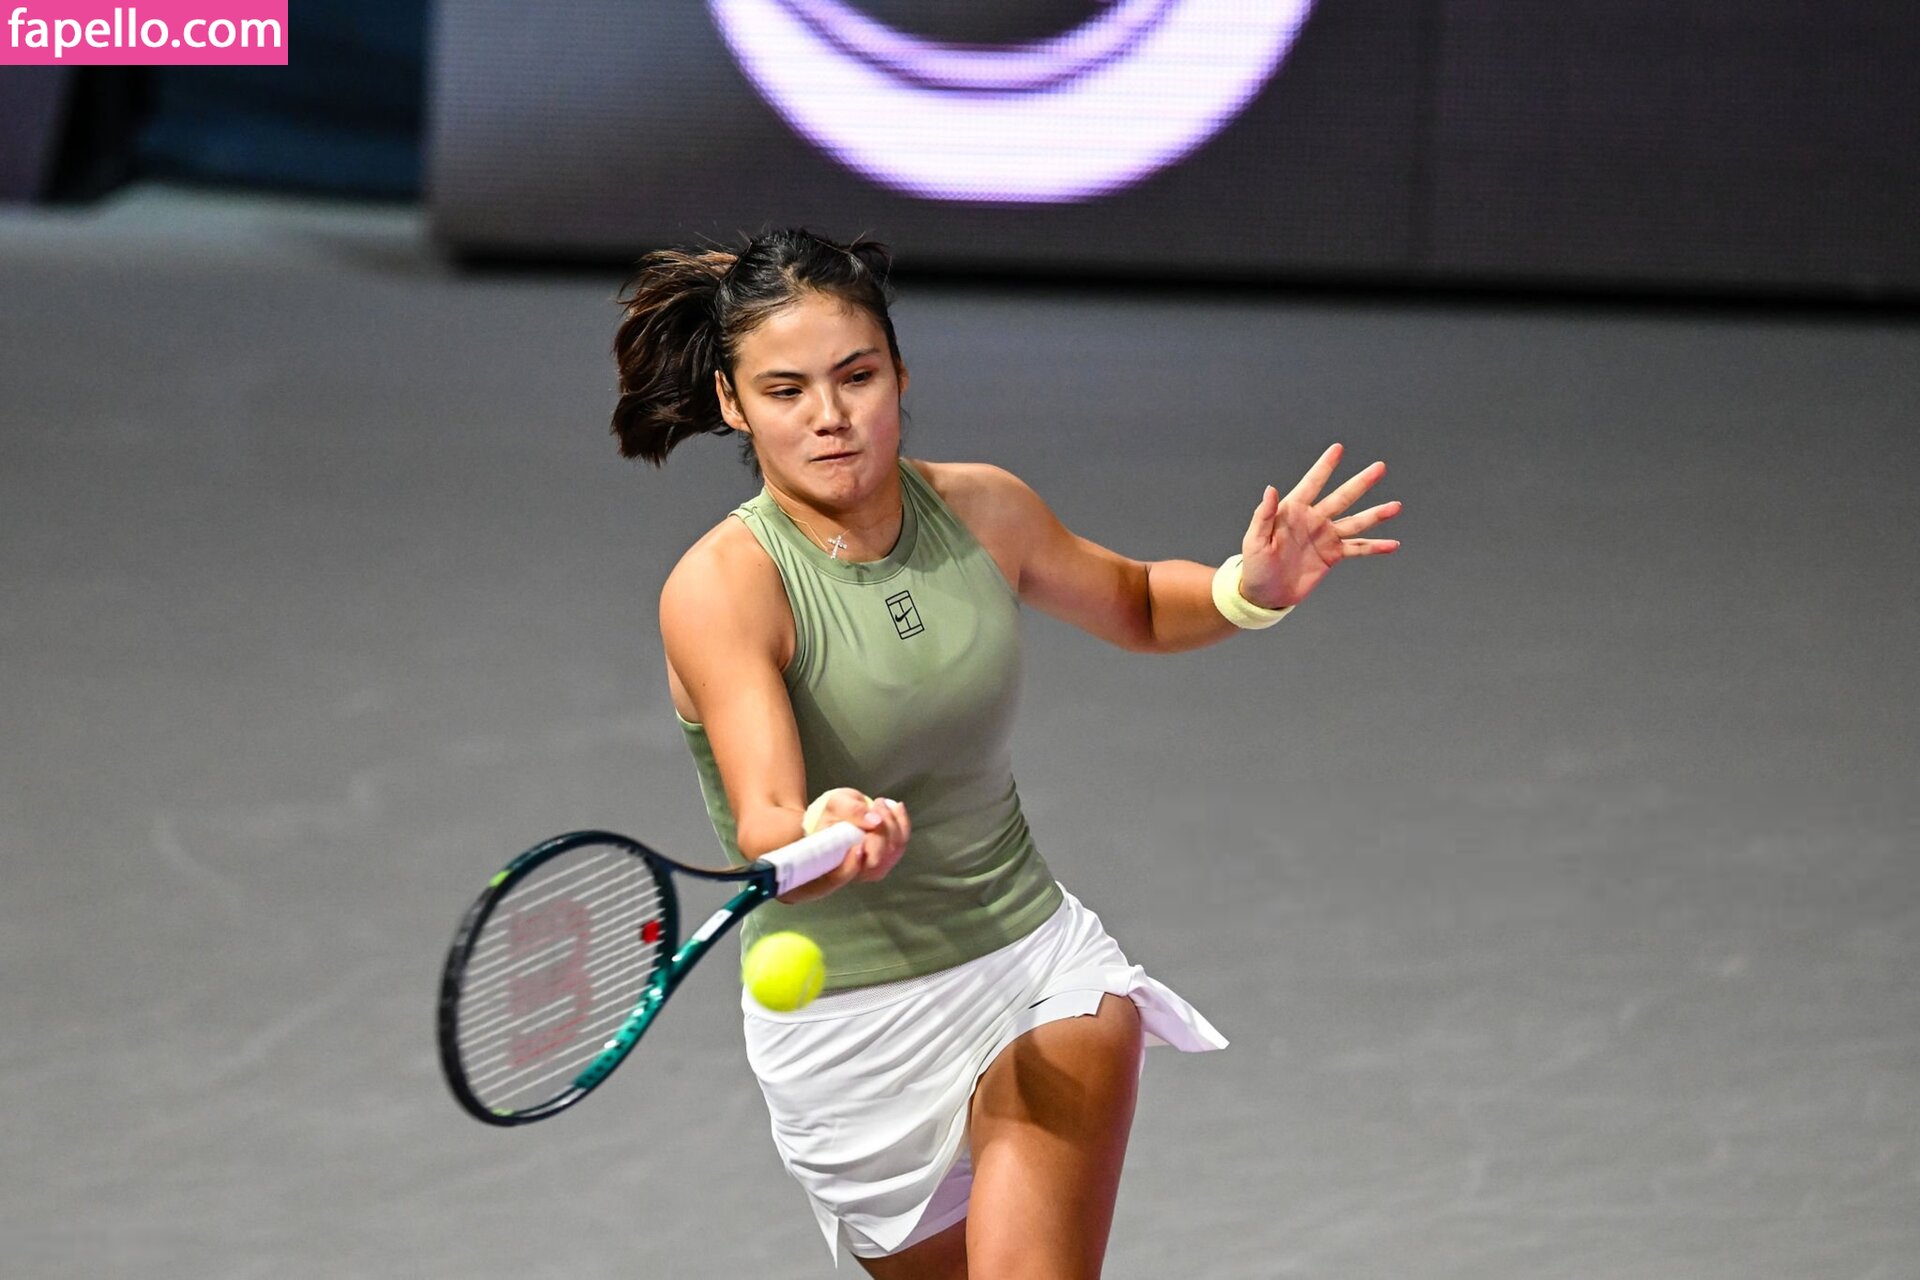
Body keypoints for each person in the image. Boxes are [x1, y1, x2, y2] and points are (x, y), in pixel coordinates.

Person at [609, 228, 1401, 1279]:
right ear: (732, 403)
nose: (830, 414)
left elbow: (1133, 600)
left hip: (1032, 965)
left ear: (900, 374)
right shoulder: (723, 587)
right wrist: (820, 832)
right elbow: (765, 816)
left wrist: (1247, 590)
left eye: (856, 375)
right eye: (786, 389)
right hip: (850, 1036)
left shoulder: (984, 507)